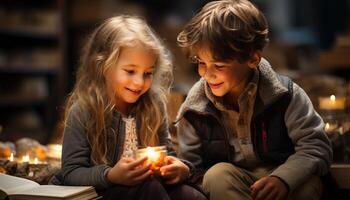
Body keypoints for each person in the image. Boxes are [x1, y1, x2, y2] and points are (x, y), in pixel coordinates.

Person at [175, 0, 333, 200]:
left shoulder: (285, 95)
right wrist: (183, 170)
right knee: (217, 175)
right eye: (201, 63)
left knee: (309, 184)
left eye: (220, 65)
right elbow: (191, 166)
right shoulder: (195, 107)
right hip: (234, 181)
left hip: (284, 174)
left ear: (253, 59)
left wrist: (283, 179)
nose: (207, 74)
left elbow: (316, 146)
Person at [49, 15, 206, 200]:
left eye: (148, 73)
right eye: (130, 71)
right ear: (102, 65)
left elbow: (167, 154)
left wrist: (180, 169)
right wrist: (111, 175)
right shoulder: (84, 110)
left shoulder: (154, 106)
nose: (139, 82)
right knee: (150, 189)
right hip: (100, 193)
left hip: (149, 188)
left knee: (190, 195)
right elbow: (71, 173)